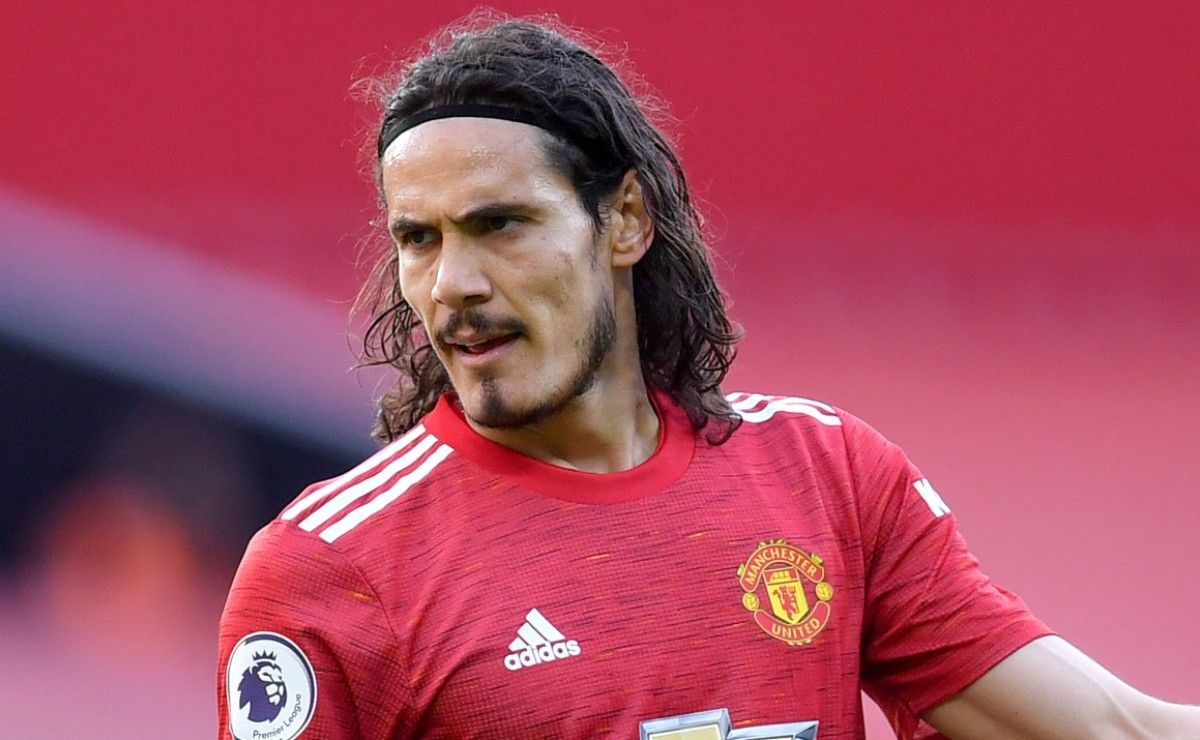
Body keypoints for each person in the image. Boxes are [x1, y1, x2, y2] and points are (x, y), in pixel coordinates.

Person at [217, 17, 1200, 740]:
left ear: (625, 221)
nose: (453, 285)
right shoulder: (328, 569)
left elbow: (1111, 728)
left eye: (499, 224)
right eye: (419, 240)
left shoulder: (827, 479)